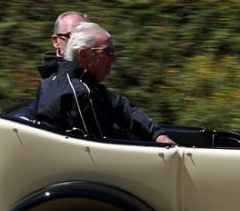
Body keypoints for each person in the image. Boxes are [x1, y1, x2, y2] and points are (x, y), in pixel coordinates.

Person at [34, 22, 175, 145]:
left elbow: (121, 106)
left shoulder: (82, 82)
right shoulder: (79, 92)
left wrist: (157, 134)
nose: (114, 58)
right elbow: (100, 146)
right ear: (83, 54)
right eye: (107, 52)